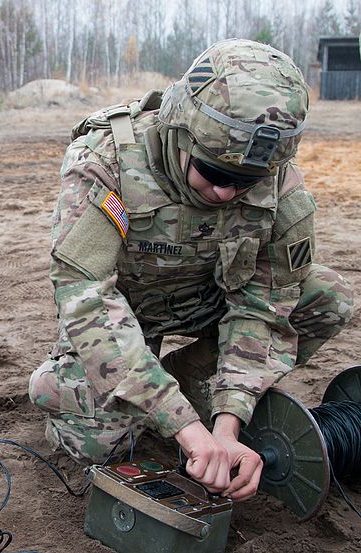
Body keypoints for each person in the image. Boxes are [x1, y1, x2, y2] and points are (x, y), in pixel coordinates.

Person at [28, 39, 354, 502]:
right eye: (213, 173)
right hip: (126, 314)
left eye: (245, 183)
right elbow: (87, 298)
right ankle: (66, 381)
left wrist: (228, 421)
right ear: (182, 132)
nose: (226, 193)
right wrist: (181, 424)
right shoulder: (109, 162)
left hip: (208, 302)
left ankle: (193, 381)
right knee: (100, 443)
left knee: (327, 296)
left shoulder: (281, 185)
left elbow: (264, 307)